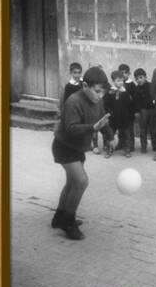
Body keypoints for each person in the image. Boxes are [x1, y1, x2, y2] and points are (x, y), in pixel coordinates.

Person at [51, 67, 114, 240]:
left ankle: (59, 217)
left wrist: (109, 136)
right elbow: (71, 129)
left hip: (78, 148)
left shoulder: (98, 101)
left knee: (72, 183)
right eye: (97, 91)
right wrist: (92, 128)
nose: (100, 96)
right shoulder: (73, 101)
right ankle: (68, 223)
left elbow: (102, 120)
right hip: (64, 146)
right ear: (85, 85)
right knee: (81, 181)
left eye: (103, 92)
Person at [103, 70, 134, 158]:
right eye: (118, 81)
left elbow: (129, 104)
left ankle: (127, 149)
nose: (120, 83)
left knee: (125, 134)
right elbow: (106, 104)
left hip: (124, 117)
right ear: (113, 81)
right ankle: (109, 149)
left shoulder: (125, 92)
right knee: (110, 134)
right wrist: (109, 113)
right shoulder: (110, 92)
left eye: (122, 81)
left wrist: (129, 114)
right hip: (113, 117)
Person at [133, 68, 156, 154]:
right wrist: (137, 112)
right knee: (143, 130)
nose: (139, 80)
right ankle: (143, 147)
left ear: (145, 77)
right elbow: (135, 102)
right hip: (143, 111)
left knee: (154, 129)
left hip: (152, 110)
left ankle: (155, 146)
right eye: (137, 79)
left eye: (140, 77)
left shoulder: (151, 86)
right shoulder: (136, 89)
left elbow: (155, 97)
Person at [118, 63, 136, 152]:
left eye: (125, 73)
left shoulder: (132, 85)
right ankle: (121, 143)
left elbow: (134, 99)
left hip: (129, 112)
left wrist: (134, 111)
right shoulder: (118, 83)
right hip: (120, 110)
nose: (123, 75)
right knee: (120, 128)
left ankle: (130, 145)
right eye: (121, 73)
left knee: (129, 129)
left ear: (129, 73)